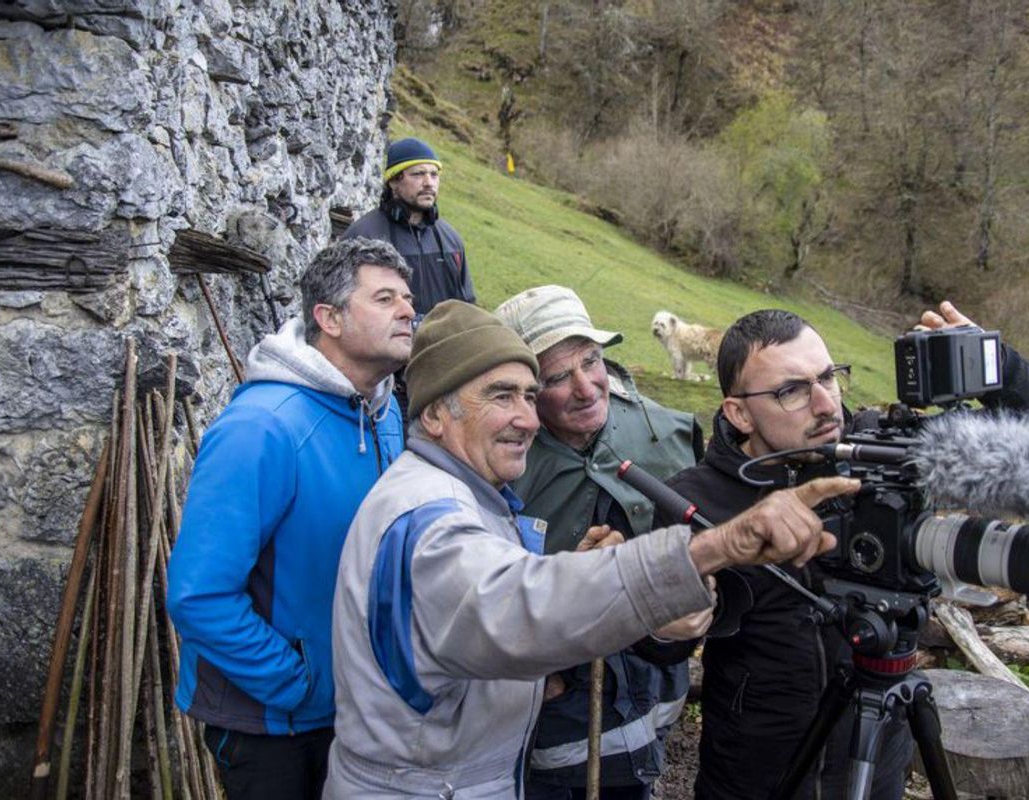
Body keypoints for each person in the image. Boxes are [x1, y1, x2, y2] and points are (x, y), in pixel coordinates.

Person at [326, 300, 860, 799]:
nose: (529, 419)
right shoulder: (428, 516)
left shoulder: (465, 493)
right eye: (501, 396)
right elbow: (519, 608)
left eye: (529, 395)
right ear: (436, 415)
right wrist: (709, 549)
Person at [661, 301, 1029, 800]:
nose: (827, 405)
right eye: (792, 391)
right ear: (739, 413)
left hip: (878, 766)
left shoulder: (888, 456)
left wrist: (996, 366)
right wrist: (669, 623)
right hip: (754, 776)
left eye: (829, 377)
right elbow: (659, 643)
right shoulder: (695, 500)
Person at [167, 238, 416, 799]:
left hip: (353, 706)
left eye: (407, 297)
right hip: (271, 722)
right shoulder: (261, 427)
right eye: (384, 298)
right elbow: (198, 594)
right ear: (328, 318)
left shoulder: (383, 413)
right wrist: (297, 684)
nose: (407, 310)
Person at [496, 285, 707, 799]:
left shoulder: (668, 434)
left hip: (656, 698)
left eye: (591, 361)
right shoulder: (496, 472)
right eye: (558, 377)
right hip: (552, 723)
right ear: (525, 390)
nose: (588, 388)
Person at [342, 136, 474, 319]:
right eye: (418, 174)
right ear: (394, 182)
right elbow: (345, 306)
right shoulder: (363, 237)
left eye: (434, 174)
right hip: (386, 346)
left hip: (443, 345)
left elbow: (467, 303)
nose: (429, 182)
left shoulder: (450, 238)